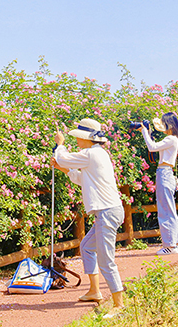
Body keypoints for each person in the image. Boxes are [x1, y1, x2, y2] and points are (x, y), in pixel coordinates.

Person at [51, 118, 125, 319]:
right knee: (86, 247)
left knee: (106, 259)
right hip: (109, 212)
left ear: (87, 139)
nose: (77, 141)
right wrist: (63, 168)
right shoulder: (96, 154)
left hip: (107, 213)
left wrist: (60, 144)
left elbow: (65, 158)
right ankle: (94, 291)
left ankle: (119, 304)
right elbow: (79, 178)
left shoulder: (91, 154)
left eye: (78, 138)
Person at [138, 112, 178, 255]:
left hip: (164, 173)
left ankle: (170, 246)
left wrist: (145, 132)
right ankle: (177, 243)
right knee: (169, 209)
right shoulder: (173, 139)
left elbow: (152, 147)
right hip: (167, 173)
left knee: (165, 210)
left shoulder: (171, 139)